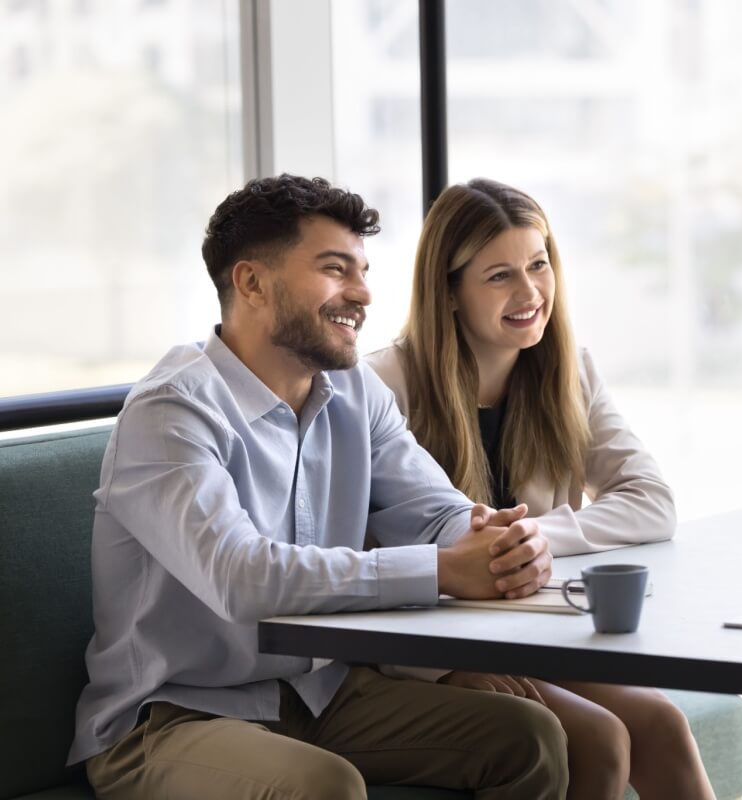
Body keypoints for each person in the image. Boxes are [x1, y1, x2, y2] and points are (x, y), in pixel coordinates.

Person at [69, 174, 570, 800]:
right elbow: (241, 577)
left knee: (530, 738)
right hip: (173, 717)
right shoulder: (172, 411)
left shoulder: (355, 390)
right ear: (251, 282)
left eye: (361, 271)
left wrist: (499, 540)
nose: (361, 294)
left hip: (319, 695)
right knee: (324, 786)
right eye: (336, 270)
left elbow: (435, 509)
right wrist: (443, 570)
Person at [364, 178, 715, 800]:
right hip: (429, 648)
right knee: (599, 738)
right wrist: (443, 668)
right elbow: (356, 553)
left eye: (539, 264)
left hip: (531, 632)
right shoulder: (382, 387)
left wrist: (528, 541)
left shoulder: (567, 368)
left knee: (662, 724)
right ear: (448, 292)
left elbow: (651, 502)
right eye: (499, 275)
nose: (530, 292)